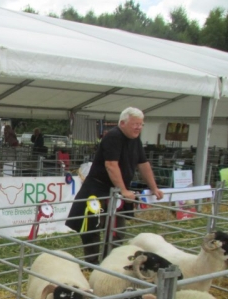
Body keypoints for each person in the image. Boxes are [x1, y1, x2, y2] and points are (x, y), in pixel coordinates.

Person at [65, 107, 164, 264]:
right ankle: (91, 264)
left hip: (117, 191)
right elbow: (111, 165)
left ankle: (109, 263)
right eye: (135, 124)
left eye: (141, 124)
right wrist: (123, 190)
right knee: (92, 226)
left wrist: (154, 187)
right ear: (123, 123)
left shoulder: (135, 139)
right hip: (98, 189)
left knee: (118, 229)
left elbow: (143, 163)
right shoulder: (113, 137)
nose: (139, 127)